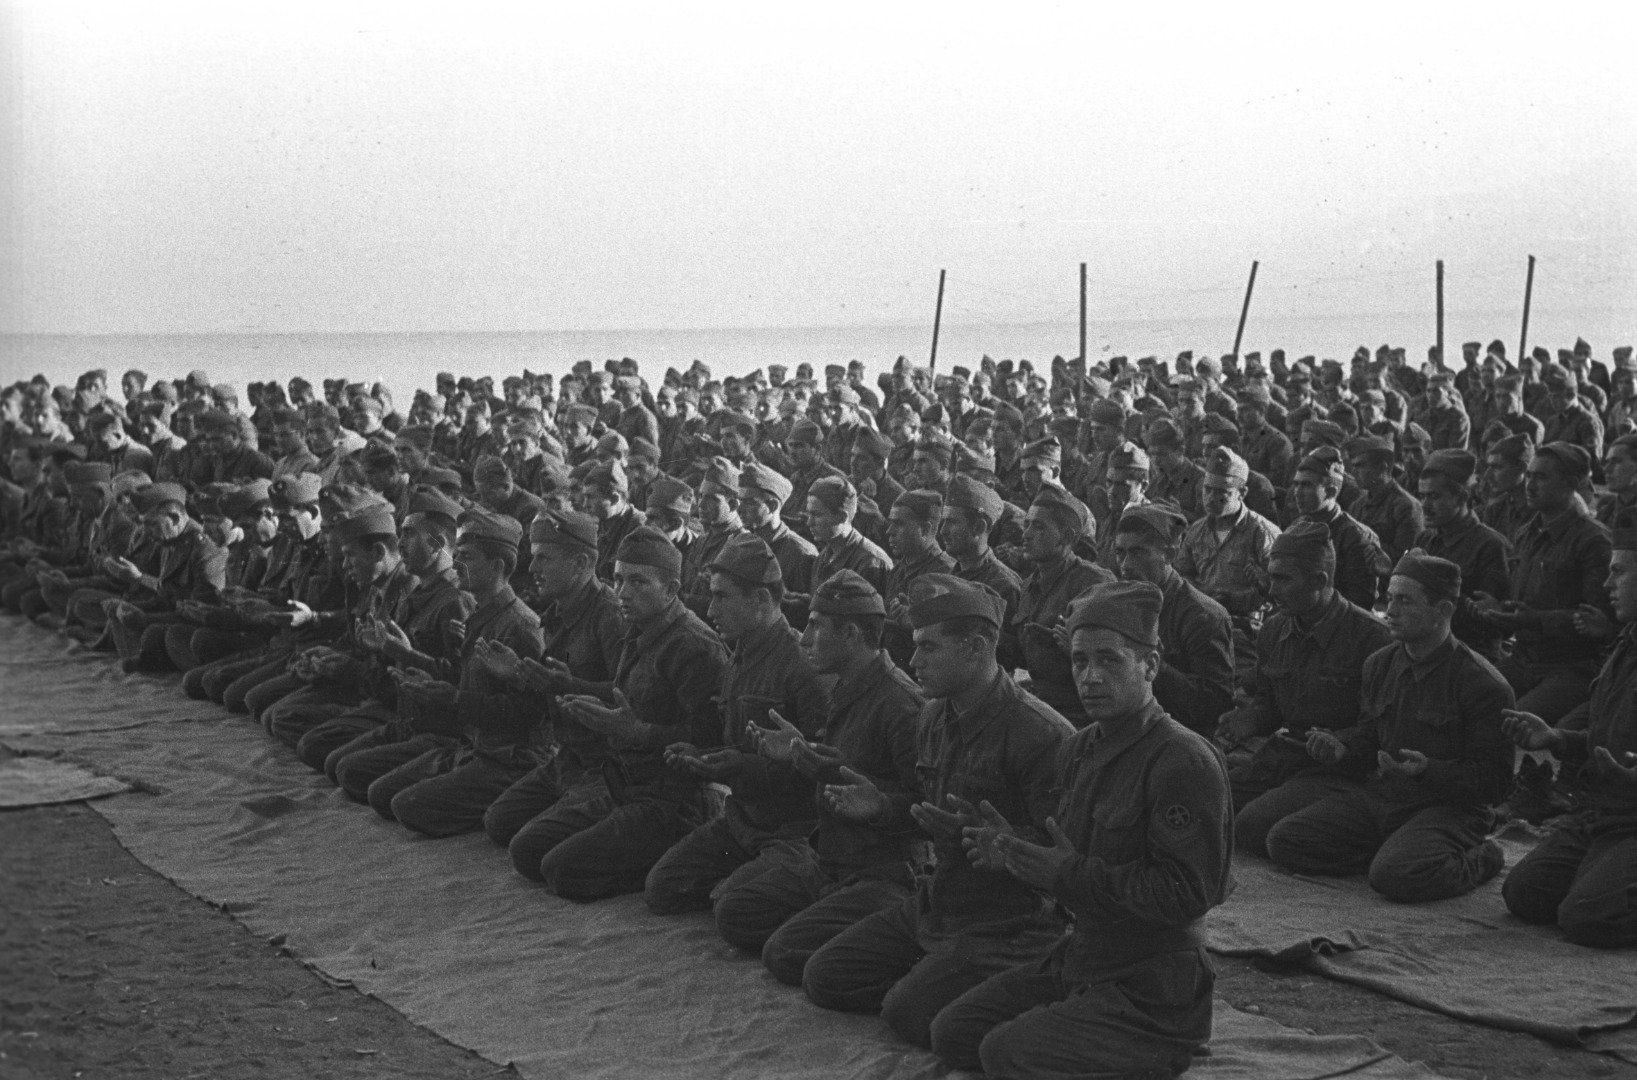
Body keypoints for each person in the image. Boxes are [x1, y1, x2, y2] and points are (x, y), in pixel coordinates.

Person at [927, 580, 1233, 1079]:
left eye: (1109, 660)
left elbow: (1189, 892)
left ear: (1150, 666)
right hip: (1084, 953)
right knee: (952, 1031)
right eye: (1079, 661)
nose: (1089, 677)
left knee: (1004, 1053)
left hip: (1152, 979)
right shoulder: (1079, 749)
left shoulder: (1182, 760)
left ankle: (1158, 1048)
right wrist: (1016, 852)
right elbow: (1062, 852)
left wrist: (1065, 873)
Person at [800, 575, 1073, 1049]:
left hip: (1009, 923)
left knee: (907, 1013)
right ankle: (946, 980)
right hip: (940, 903)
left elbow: (1071, 850)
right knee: (825, 976)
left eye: (928, 648)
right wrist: (883, 805)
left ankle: (1012, 983)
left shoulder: (1041, 734)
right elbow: (927, 810)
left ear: (976, 647)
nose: (913, 661)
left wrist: (1008, 845)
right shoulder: (933, 715)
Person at [1253, 552, 1514, 902]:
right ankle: (1399, 851)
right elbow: (1370, 733)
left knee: (1397, 876)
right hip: (1387, 795)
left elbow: (1495, 783)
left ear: (1443, 611)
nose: (1390, 610)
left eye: (1405, 600)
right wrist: (1342, 746)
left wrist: (1429, 771)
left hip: (1451, 807)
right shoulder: (1380, 664)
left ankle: (1483, 857)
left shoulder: (1482, 684)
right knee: (1285, 841)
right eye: (1390, 598)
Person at [709, 570, 926, 978]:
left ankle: (880, 930)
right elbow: (843, 770)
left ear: (851, 635)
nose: (804, 639)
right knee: (733, 910)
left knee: (784, 953)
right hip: (832, 859)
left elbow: (927, 805)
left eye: (815, 626)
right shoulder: (846, 686)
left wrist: (879, 805)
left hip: (885, 873)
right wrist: (799, 755)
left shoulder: (902, 705)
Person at [512, 527, 729, 901]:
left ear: (671, 589)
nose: (623, 592)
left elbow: (714, 740)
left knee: (560, 870)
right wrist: (569, 688)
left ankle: (668, 860)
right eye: (617, 579)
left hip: (674, 801)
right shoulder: (641, 626)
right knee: (527, 849)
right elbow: (622, 695)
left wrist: (639, 733)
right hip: (626, 786)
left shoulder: (694, 647)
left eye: (638, 582)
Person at [1501, 522, 1637, 948]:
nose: (1607, 582)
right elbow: (1606, 738)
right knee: (1525, 893)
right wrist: (1557, 739)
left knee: (1587, 918)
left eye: (1621, 572)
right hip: (1603, 813)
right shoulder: (1626, 644)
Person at [1222, 521, 1394, 814]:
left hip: (1343, 772)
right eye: (1271, 577)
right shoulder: (1274, 631)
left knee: (1251, 823)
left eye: (1284, 580)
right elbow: (1270, 704)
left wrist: (1341, 744)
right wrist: (1248, 720)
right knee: (1209, 794)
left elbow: (1383, 730)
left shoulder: (1373, 639)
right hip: (1289, 756)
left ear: (1319, 580)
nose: (1271, 590)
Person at [1476, 442, 1613, 723]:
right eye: (1528, 475)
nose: (1529, 485)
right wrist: (1501, 609)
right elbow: (1526, 601)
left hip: (1573, 666)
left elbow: (1596, 621)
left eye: (1541, 477)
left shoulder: (1593, 541)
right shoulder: (1528, 532)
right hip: (1524, 657)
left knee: (1507, 722)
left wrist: (1529, 619)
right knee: (1467, 699)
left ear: (1571, 484)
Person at [1110, 504, 1235, 737]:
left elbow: (1214, 705)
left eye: (1137, 553)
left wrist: (1151, 665)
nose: (1125, 566)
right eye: (1120, 553)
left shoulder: (1203, 616)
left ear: (1169, 554)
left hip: (1182, 736)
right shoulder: (1122, 602)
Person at [1414, 449, 1510, 661]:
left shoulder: (1490, 546)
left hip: (1469, 655)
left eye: (1434, 496)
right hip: (1428, 646)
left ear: (1462, 497)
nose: (1424, 505)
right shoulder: (1425, 540)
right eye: (1422, 496)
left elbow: (1489, 624)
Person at [1289, 449, 1391, 610]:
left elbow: (1360, 602)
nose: (1297, 493)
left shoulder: (1357, 537)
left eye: (1307, 485)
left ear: (1331, 491)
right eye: (1296, 484)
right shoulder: (1297, 527)